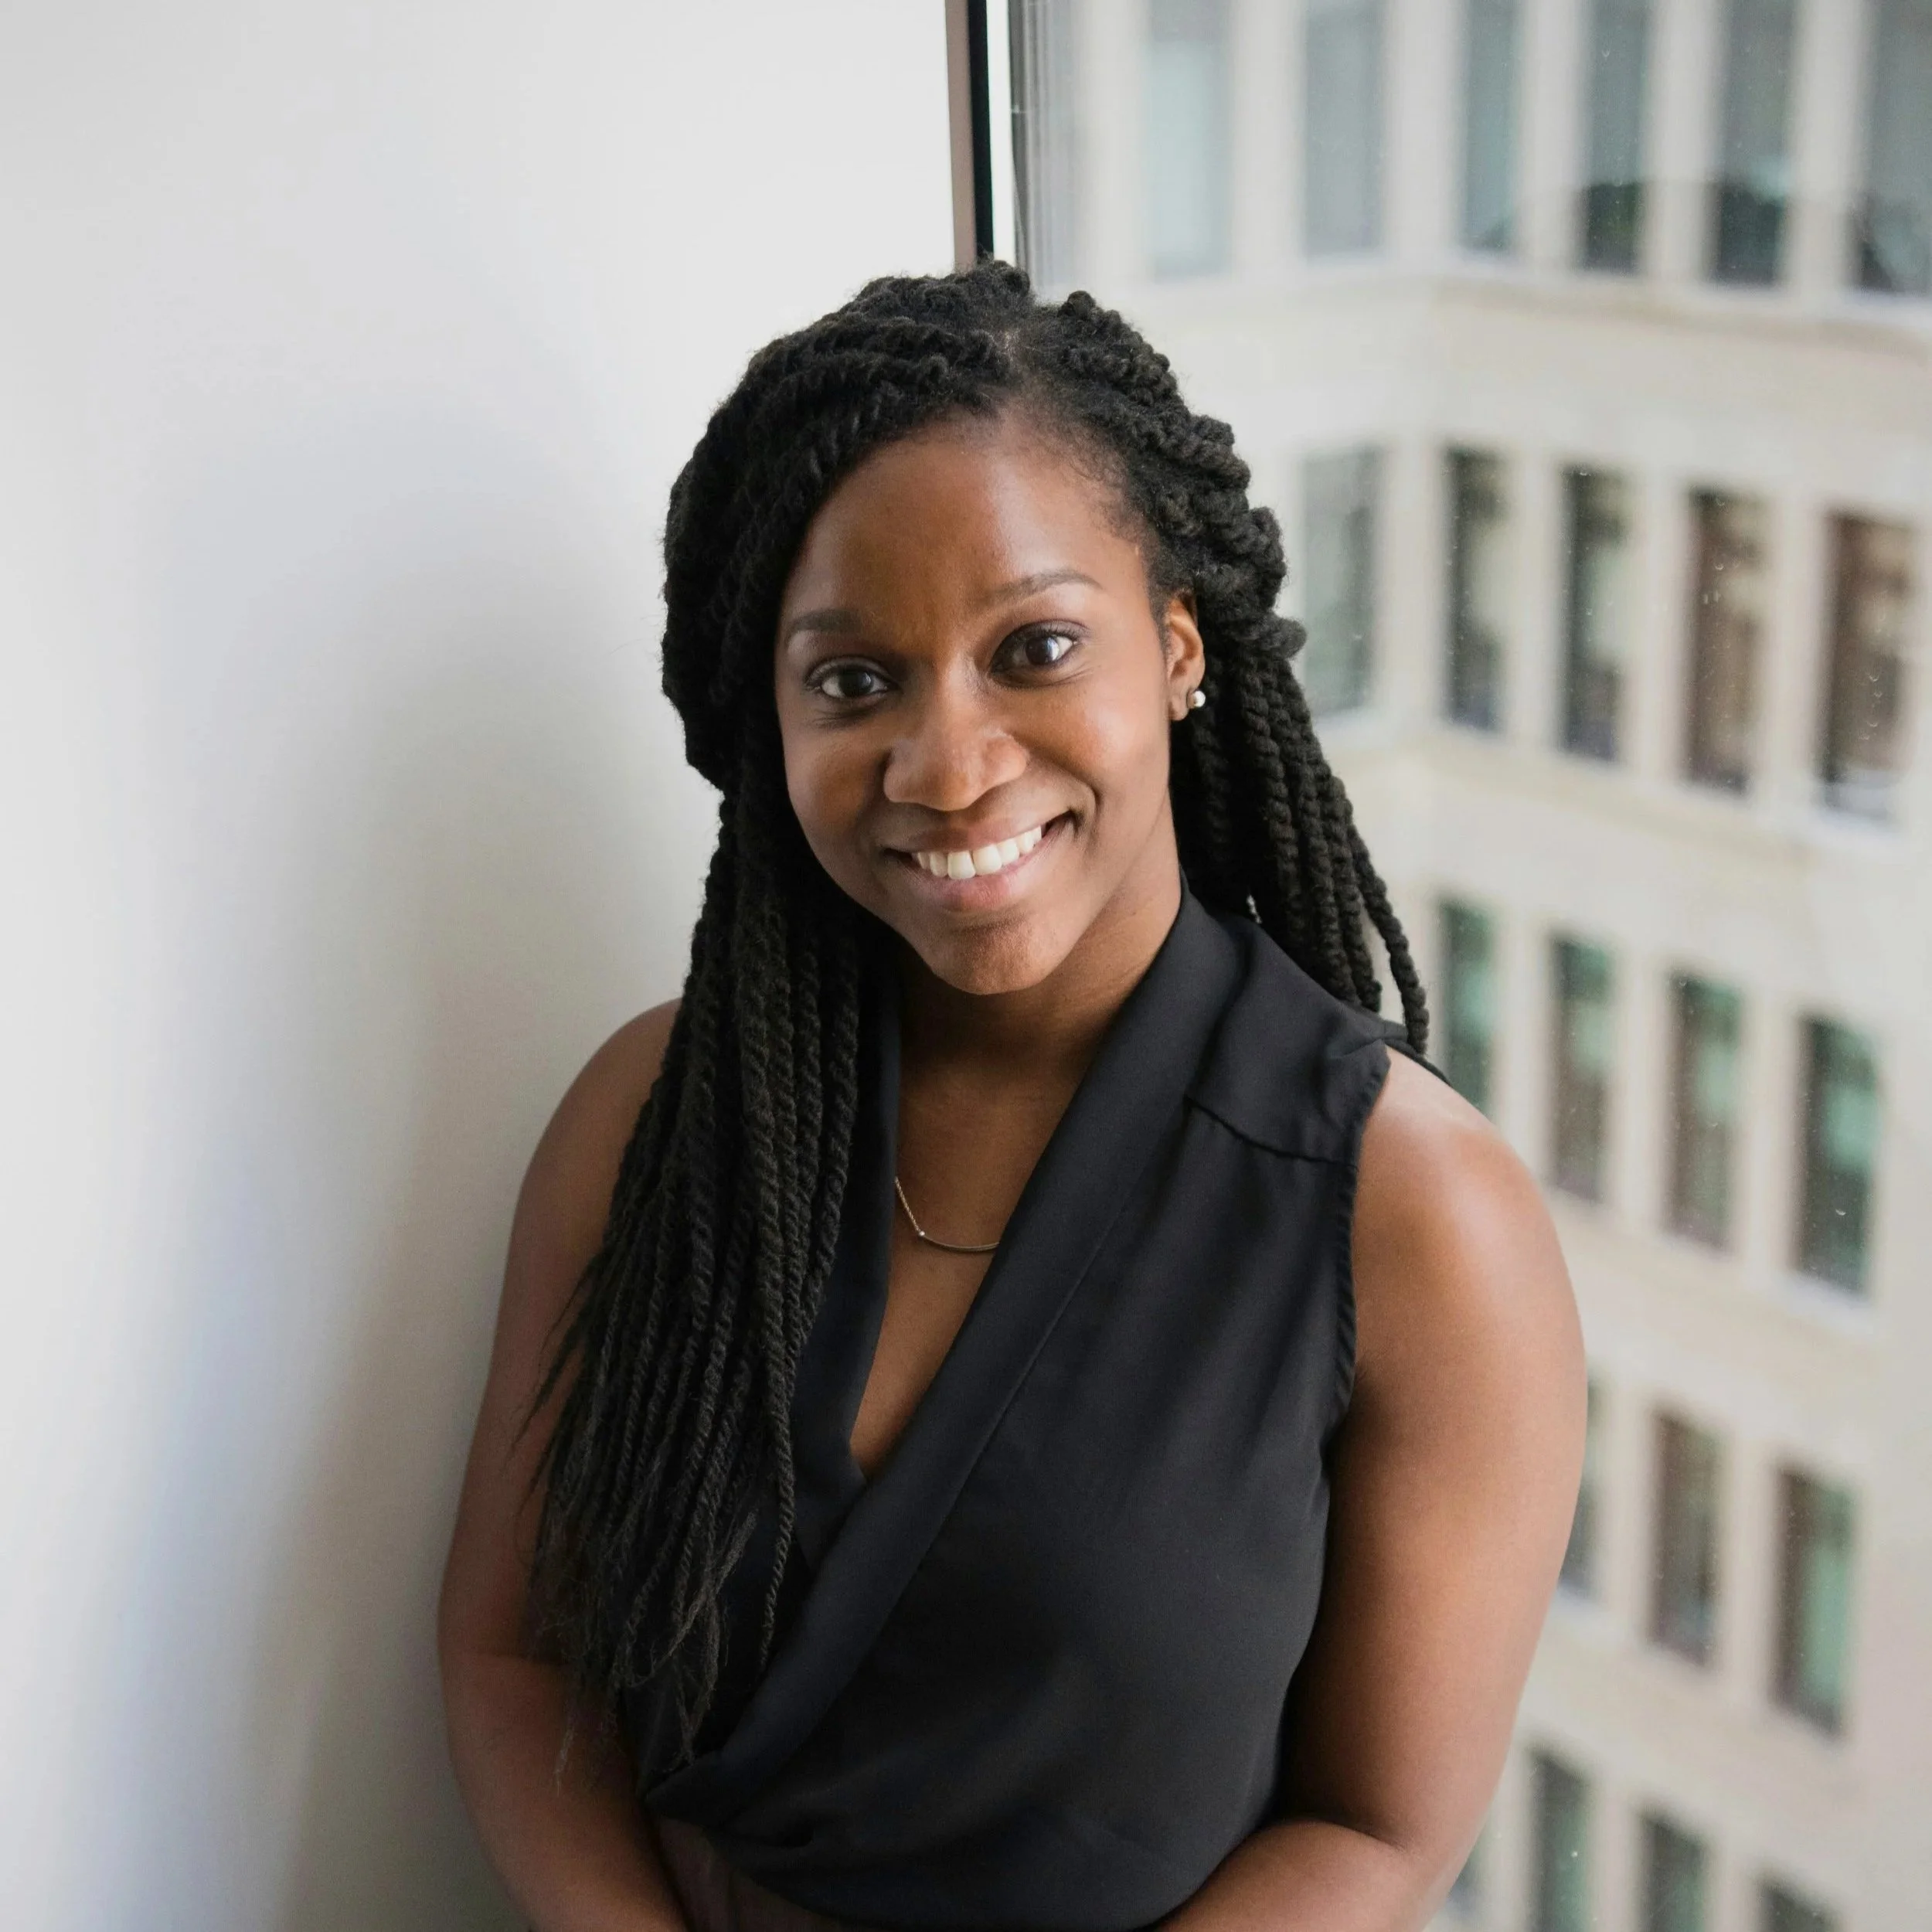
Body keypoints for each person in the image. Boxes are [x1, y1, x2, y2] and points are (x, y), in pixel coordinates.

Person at [439, 264, 1584, 1932]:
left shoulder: (1414, 1215)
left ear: (1177, 647)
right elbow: (513, 1652)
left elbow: (1377, 1828)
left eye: (1032, 646)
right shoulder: (655, 1115)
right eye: (853, 680)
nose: (948, 764)